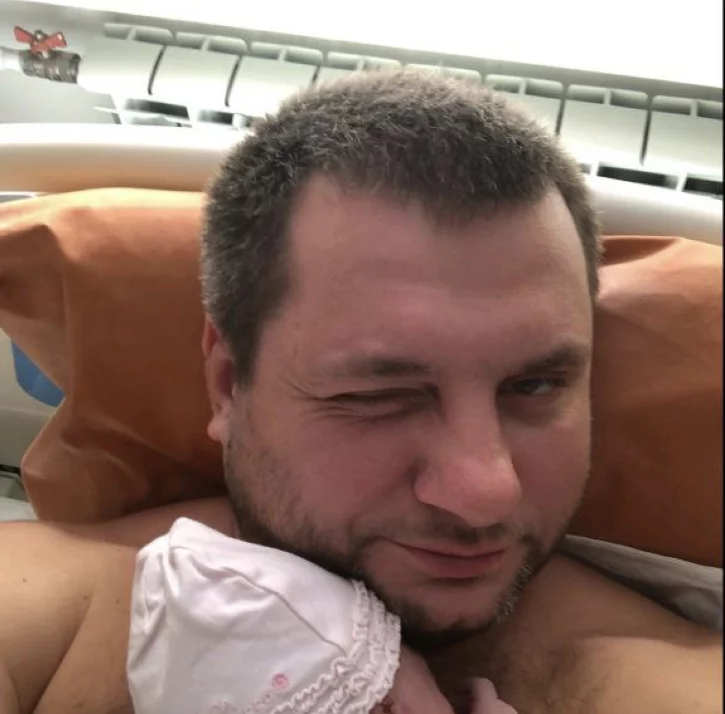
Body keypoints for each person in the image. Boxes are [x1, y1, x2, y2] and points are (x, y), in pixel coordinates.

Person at [0, 69, 720, 714]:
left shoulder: (659, 681)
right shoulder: (59, 616)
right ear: (227, 384)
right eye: (379, 395)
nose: (485, 493)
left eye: (534, 385)